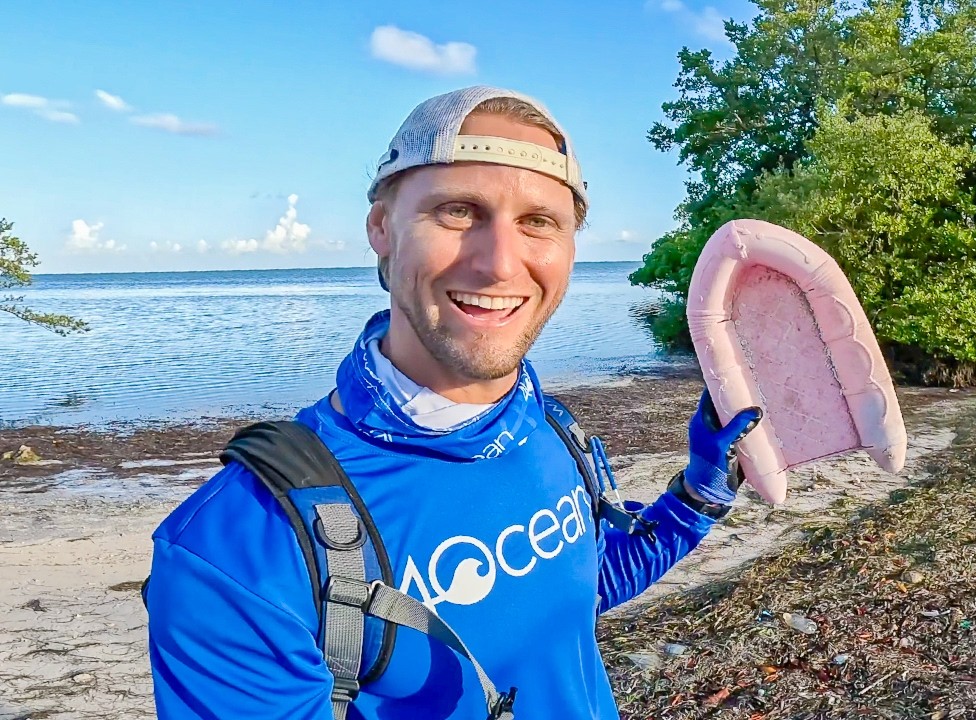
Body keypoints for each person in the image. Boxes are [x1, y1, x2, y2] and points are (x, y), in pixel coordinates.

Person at [144, 85, 763, 720]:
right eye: (458, 211)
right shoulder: (236, 552)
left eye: (538, 221)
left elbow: (573, 589)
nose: (499, 264)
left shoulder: (552, 430)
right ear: (382, 228)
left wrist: (697, 498)